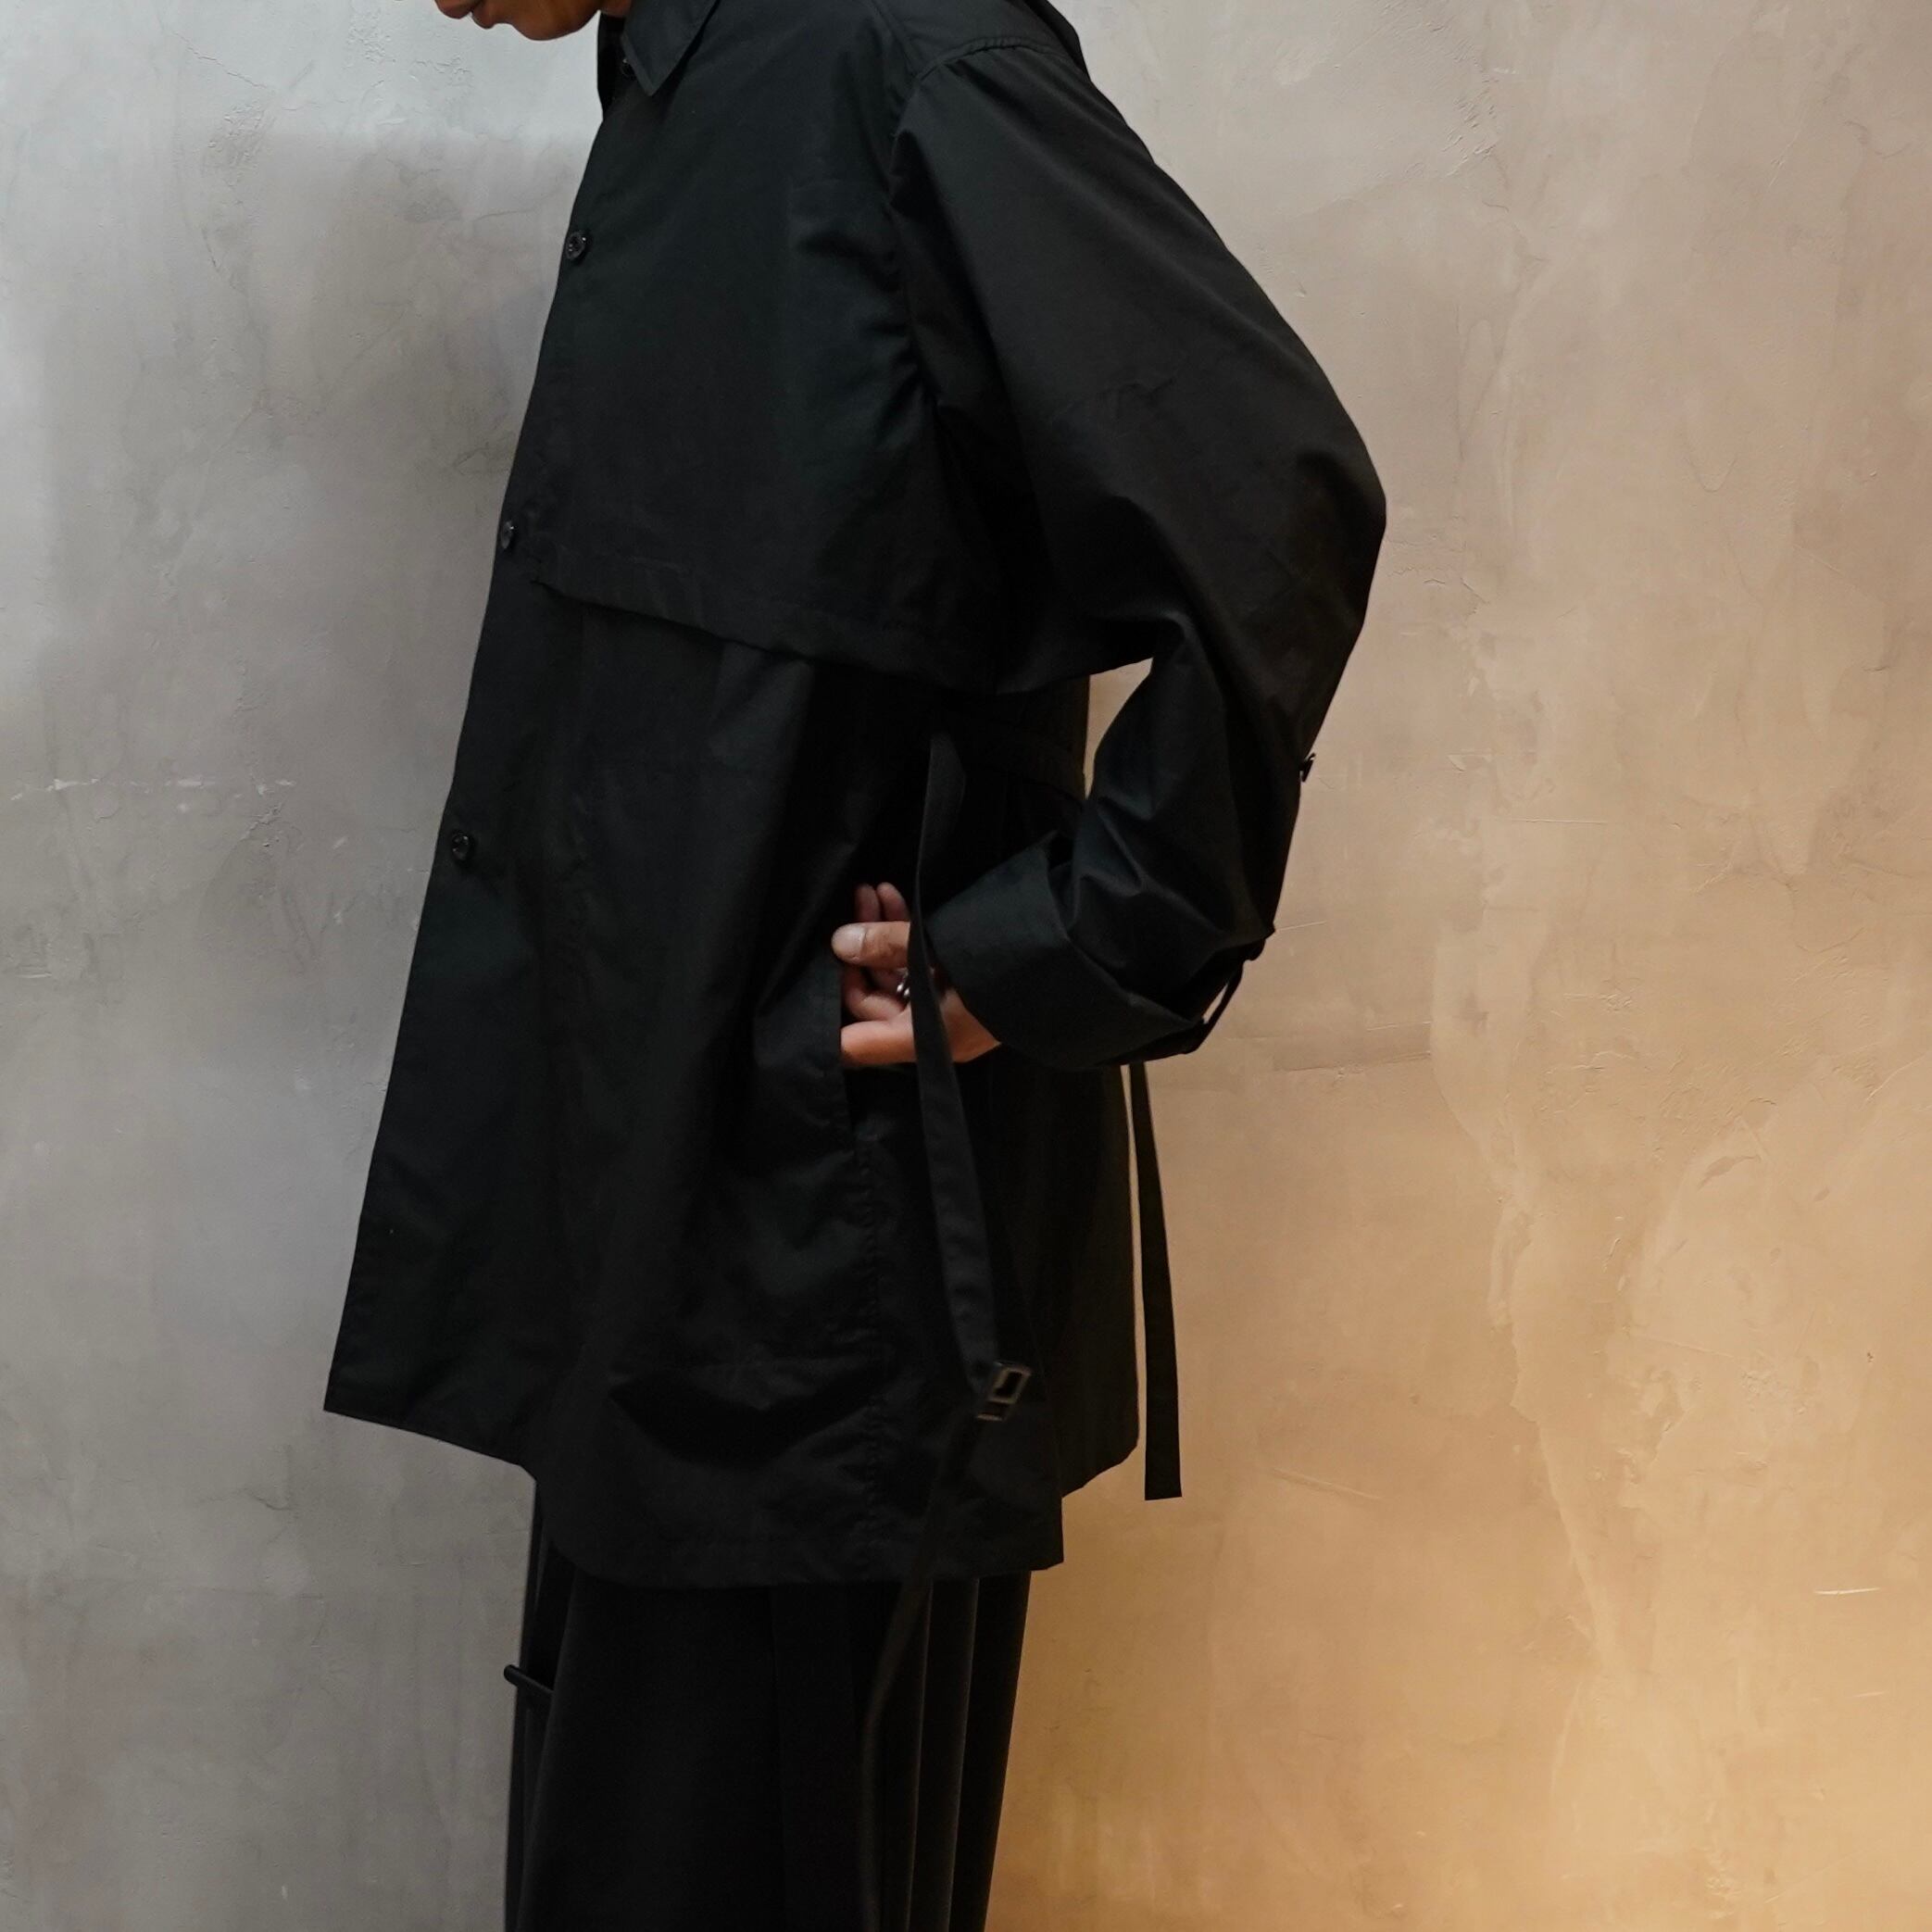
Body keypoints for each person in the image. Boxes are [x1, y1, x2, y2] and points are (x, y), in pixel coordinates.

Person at [321, 0, 1386, 1925]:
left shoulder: (907, 65)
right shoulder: (694, 94)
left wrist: (1037, 951)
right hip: (657, 1259)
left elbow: (1269, 505)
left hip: (820, 1300)